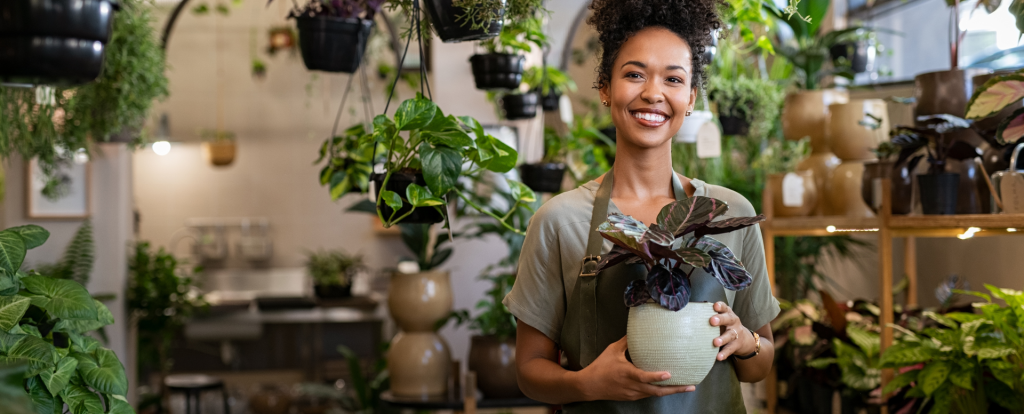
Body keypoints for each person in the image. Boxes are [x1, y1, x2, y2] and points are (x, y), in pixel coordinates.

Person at [501, 0, 781, 412]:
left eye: (673, 79)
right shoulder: (559, 221)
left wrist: (745, 341)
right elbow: (529, 371)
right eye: (634, 74)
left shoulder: (727, 212)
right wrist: (588, 384)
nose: (653, 93)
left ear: (691, 97)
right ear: (605, 88)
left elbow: (760, 365)